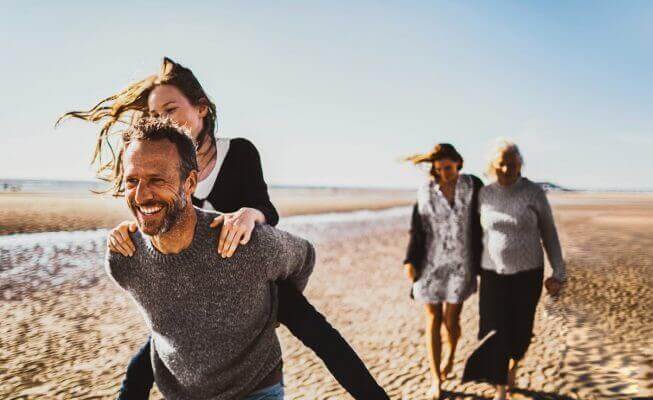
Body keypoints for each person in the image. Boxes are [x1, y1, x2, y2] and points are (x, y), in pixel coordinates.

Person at [57, 57, 388, 399]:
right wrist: (131, 231)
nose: (162, 120)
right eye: (154, 115)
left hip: (245, 263)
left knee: (322, 336)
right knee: (144, 364)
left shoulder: (238, 153)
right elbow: (154, 211)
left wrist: (249, 216)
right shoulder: (160, 161)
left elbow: (268, 211)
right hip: (188, 280)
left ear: (201, 109)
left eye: (171, 110)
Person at [106, 117, 316, 399]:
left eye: (157, 179)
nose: (142, 195)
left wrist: (273, 310)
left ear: (190, 182)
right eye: (132, 181)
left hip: (255, 388)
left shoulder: (243, 243)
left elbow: (305, 256)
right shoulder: (124, 259)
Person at [462, 140, 566, 400]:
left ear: (520, 164)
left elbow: (549, 233)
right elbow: (473, 235)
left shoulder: (533, 193)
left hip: (528, 273)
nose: (507, 169)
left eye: (512, 163)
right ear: (492, 166)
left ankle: (514, 364)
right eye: (501, 164)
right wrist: (467, 271)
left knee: (520, 332)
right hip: (492, 274)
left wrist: (558, 272)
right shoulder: (485, 194)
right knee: (495, 330)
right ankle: (500, 389)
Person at [404, 143, 483, 398]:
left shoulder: (472, 185)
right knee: (433, 320)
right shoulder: (426, 189)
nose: (443, 173)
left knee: (452, 321)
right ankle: (436, 378)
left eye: (448, 168)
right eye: (438, 169)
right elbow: (417, 226)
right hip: (430, 264)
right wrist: (410, 260)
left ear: (458, 163)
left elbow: (488, 219)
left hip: (462, 264)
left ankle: (451, 354)